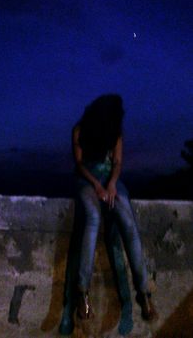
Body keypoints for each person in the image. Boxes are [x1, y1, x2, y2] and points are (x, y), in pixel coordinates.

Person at [59, 94, 158, 335]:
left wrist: (112, 184)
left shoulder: (115, 131)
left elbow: (117, 163)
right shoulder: (79, 130)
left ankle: (143, 292)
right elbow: (80, 164)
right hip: (87, 179)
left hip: (109, 179)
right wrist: (97, 186)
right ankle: (82, 292)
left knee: (129, 224)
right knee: (92, 218)